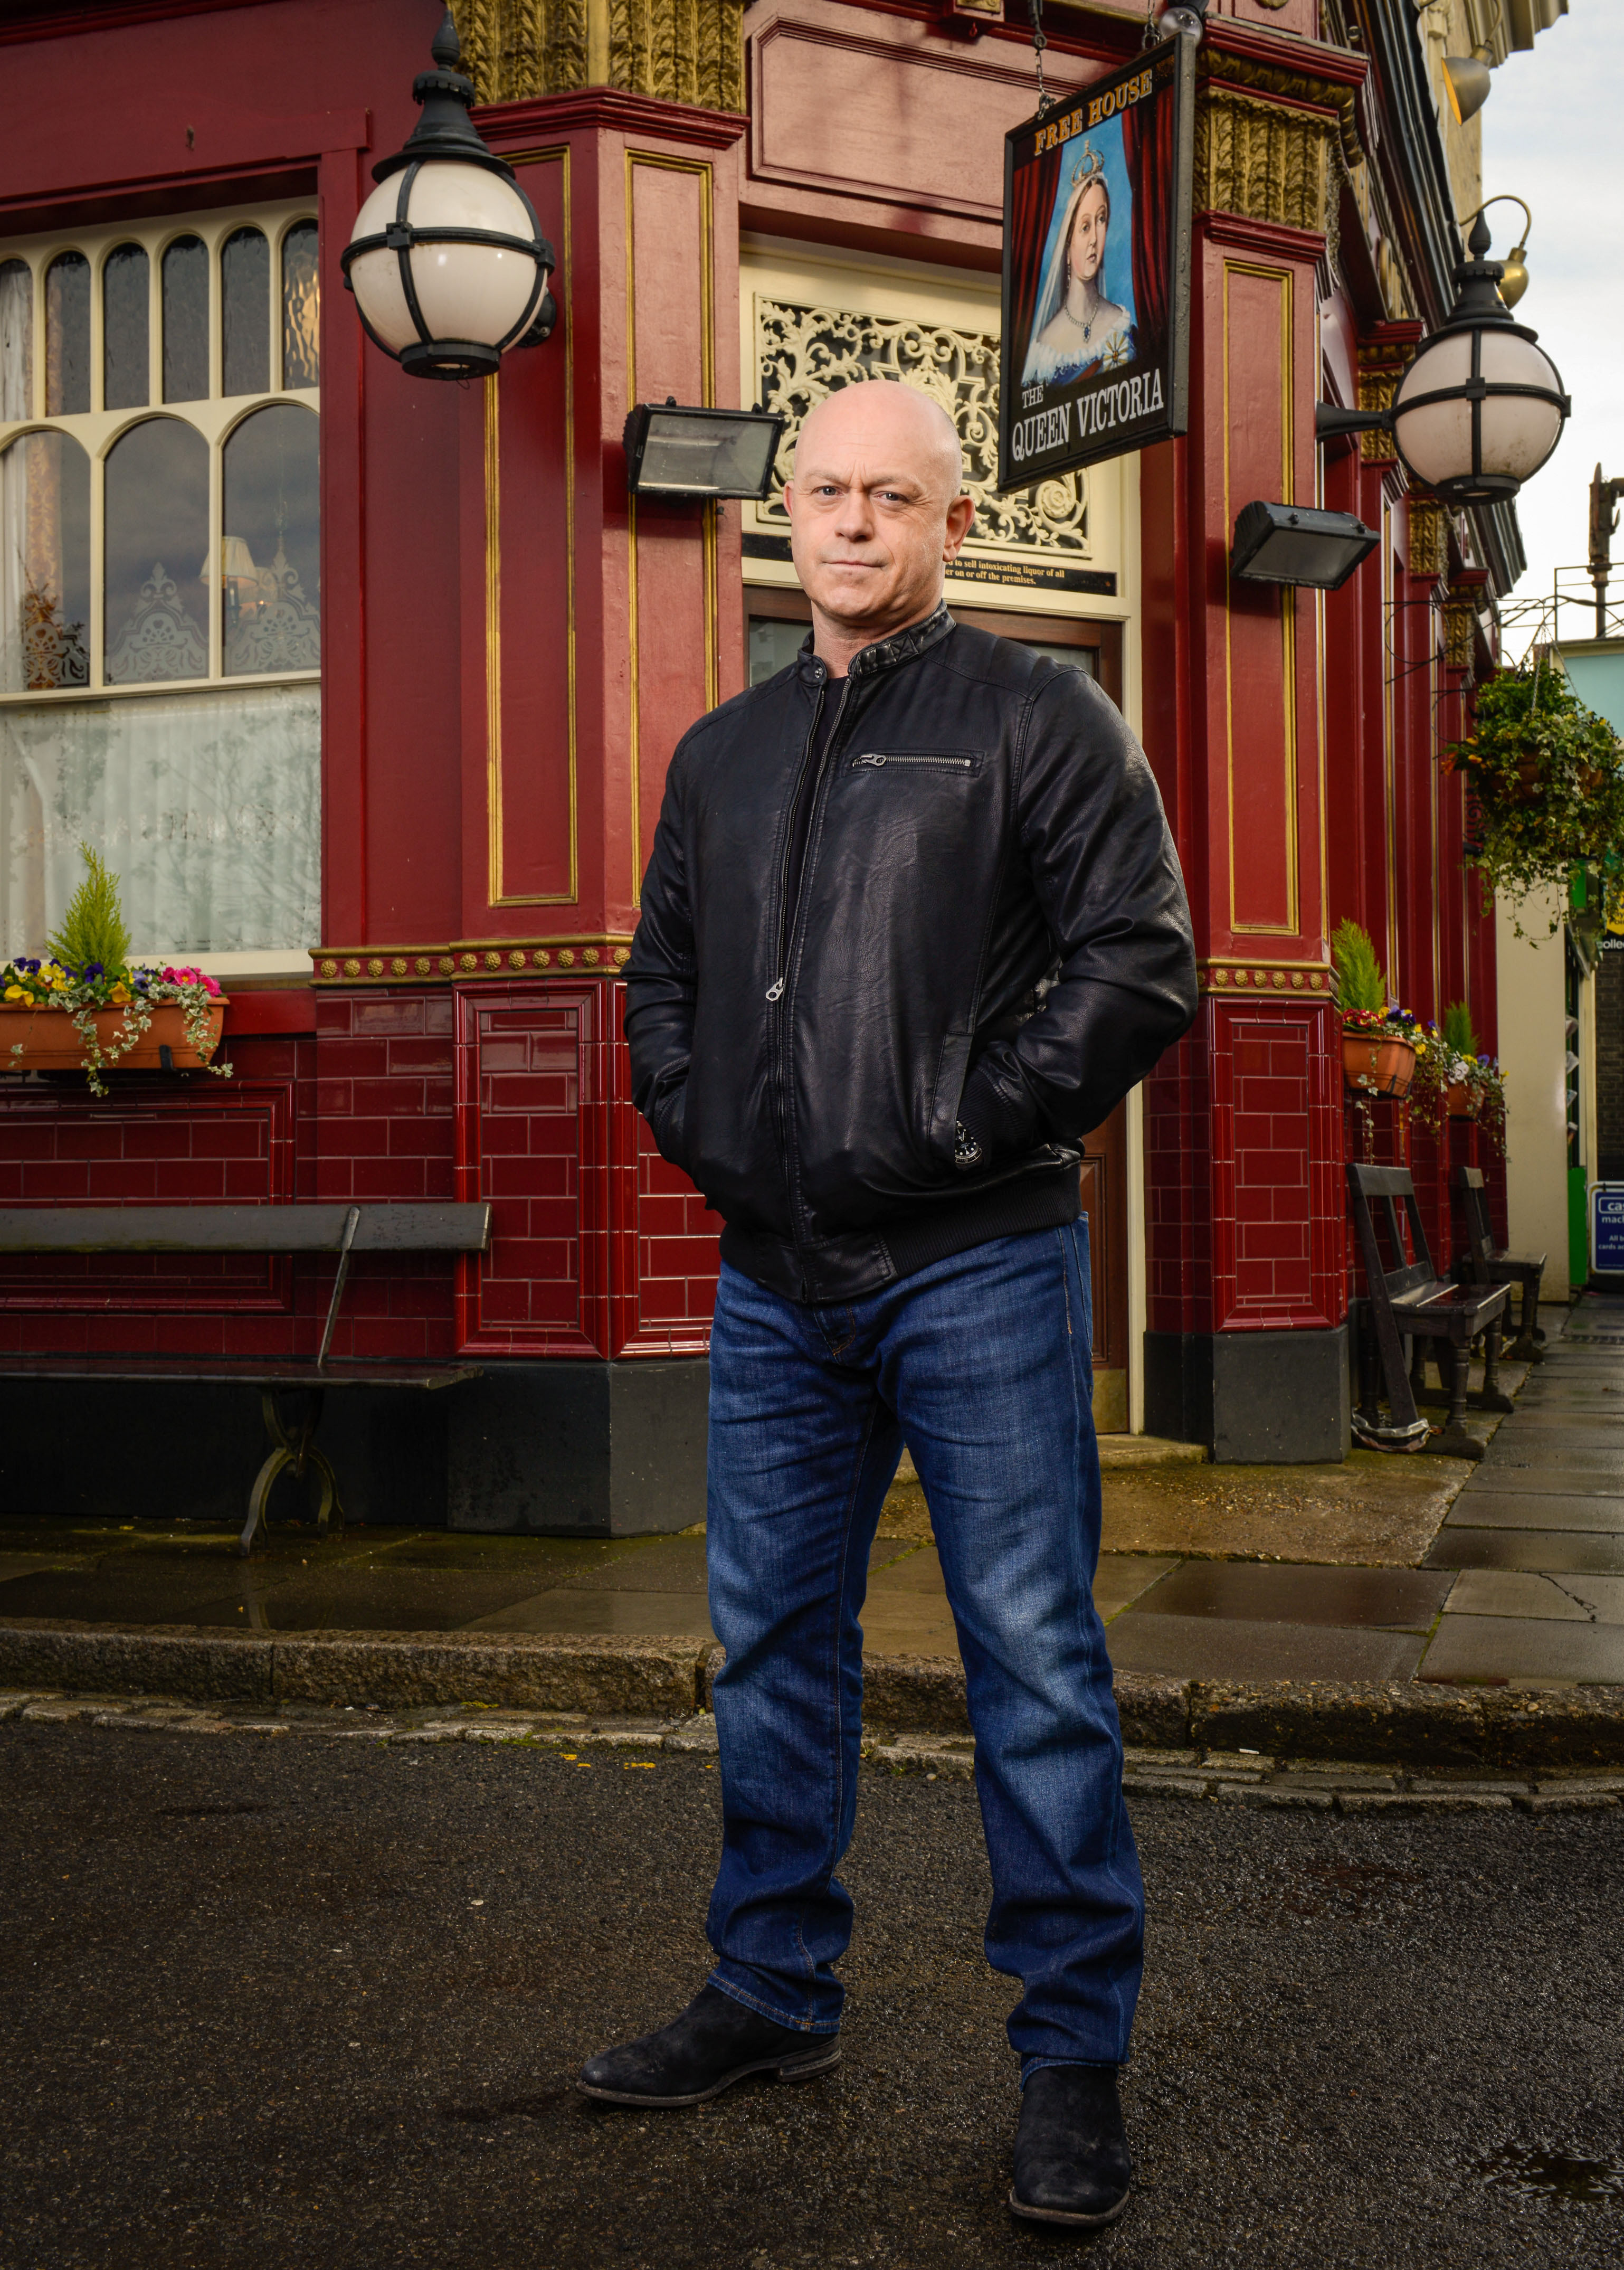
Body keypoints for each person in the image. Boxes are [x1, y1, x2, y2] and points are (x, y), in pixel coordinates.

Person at [584, 378, 1196, 2232]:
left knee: (1027, 1660)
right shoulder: (722, 750)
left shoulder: (1038, 714)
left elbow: (1137, 967)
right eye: (822, 493)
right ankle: (770, 1989)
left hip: (979, 1266)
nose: (847, 524)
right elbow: (660, 984)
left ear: (951, 520)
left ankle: (1068, 2053)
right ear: (788, 511)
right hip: (773, 1282)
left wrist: (953, 1125)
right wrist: (715, 1141)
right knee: (770, 1643)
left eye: (887, 496)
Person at [1022, 144, 1134, 387]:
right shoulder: (1044, 354)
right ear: (1068, 245)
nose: (1094, 238)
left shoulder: (1123, 327)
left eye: (1101, 220)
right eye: (1085, 227)